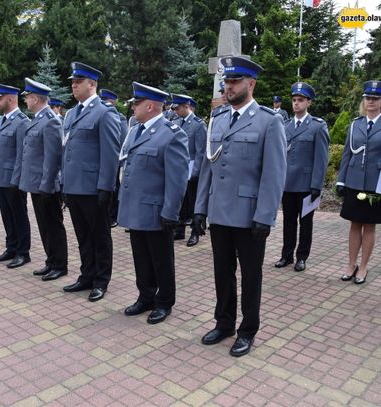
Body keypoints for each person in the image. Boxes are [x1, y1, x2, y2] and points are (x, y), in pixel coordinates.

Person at [193, 57, 286, 357]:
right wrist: (200, 208)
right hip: (219, 211)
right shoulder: (218, 119)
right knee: (223, 271)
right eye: (226, 82)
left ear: (251, 84)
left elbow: (274, 174)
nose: (228, 87)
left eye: (234, 82)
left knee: (250, 275)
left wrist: (265, 216)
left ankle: (248, 330)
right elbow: (208, 166)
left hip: (249, 216)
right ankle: (224, 323)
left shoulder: (268, 121)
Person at [118, 82, 189, 324]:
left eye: (136, 104)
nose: (132, 108)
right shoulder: (136, 130)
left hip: (157, 210)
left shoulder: (171, 134)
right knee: (141, 256)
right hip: (136, 207)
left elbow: (177, 178)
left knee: (161, 259)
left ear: (149, 106)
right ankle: (145, 296)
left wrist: (171, 212)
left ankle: (165, 301)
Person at [61, 62, 121, 302]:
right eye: (73, 82)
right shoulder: (72, 113)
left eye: (78, 82)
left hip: (93, 188)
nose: (74, 86)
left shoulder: (104, 112)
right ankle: (86, 275)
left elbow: (110, 153)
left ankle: (101, 280)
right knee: (83, 235)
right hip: (74, 186)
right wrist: (64, 183)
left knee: (100, 236)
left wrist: (106, 186)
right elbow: (67, 151)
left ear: (92, 84)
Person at [275, 83, 329, 272]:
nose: (296, 104)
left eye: (300, 100)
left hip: (306, 185)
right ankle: (286, 255)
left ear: (309, 102)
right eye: (294, 100)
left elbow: (321, 159)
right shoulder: (285, 125)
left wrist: (317, 185)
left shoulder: (317, 126)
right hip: (288, 183)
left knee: (306, 223)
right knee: (288, 222)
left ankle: (302, 257)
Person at [19, 78, 68, 281]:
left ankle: (60, 264)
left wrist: (47, 185)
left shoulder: (51, 121)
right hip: (37, 184)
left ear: (36, 99)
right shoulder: (39, 118)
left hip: (46, 185)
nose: (26, 102)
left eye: (28, 98)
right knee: (44, 225)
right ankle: (51, 261)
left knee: (53, 225)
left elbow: (52, 157)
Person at [336, 80, 381, 285]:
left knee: (369, 226)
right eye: (368, 98)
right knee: (354, 225)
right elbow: (347, 153)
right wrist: (341, 180)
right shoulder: (356, 124)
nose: (370, 101)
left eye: (375, 98)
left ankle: (363, 267)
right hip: (354, 181)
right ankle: (351, 264)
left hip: (376, 182)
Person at [0, 83, 32, 268]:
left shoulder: (21, 122)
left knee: (18, 215)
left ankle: (23, 252)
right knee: (7, 215)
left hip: (13, 180)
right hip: (1, 177)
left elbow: (23, 154)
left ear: (11, 99)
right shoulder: (2, 120)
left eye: (0, 98)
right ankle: (11, 247)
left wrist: (17, 179)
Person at [171, 94, 207, 246]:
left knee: (192, 202)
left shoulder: (198, 125)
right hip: (179, 167)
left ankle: (195, 232)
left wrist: (196, 172)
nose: (175, 111)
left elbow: (200, 151)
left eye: (177, 108)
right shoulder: (176, 122)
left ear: (187, 106)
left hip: (192, 167)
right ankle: (179, 230)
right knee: (180, 200)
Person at [99, 88, 129, 228]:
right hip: (101, 159)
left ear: (113, 102)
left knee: (114, 186)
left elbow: (123, 139)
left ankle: (114, 214)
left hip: (114, 158)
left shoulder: (119, 117)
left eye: (106, 101)